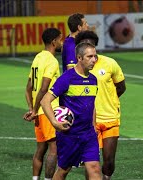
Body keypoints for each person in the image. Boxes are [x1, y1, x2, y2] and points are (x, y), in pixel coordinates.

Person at [40, 42, 101, 179]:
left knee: (95, 169)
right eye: (89, 56)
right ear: (79, 58)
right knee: (64, 170)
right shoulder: (67, 78)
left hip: (88, 134)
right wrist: (55, 123)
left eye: (95, 56)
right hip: (69, 135)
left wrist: (94, 126)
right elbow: (45, 101)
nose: (94, 60)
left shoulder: (93, 80)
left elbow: (91, 105)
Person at [74, 31, 126, 180]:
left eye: (91, 45)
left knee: (109, 161)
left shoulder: (110, 63)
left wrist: (108, 100)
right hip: (89, 121)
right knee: (91, 162)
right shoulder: (77, 69)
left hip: (110, 118)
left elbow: (121, 87)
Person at [23, 28, 63, 180]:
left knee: (40, 149)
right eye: (60, 40)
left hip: (39, 113)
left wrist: (32, 109)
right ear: (54, 41)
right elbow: (44, 88)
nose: (62, 43)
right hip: (48, 111)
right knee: (54, 149)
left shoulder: (37, 58)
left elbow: (28, 89)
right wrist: (36, 110)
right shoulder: (51, 61)